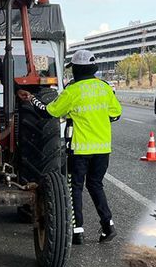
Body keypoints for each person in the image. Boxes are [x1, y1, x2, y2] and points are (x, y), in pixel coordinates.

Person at [17, 49, 121, 245]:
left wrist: (32, 99)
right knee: (96, 185)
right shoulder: (104, 88)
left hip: (80, 149)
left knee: (75, 188)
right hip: (103, 149)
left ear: (77, 70)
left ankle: (77, 231)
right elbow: (116, 114)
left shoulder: (73, 91)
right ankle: (108, 226)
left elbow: (49, 112)